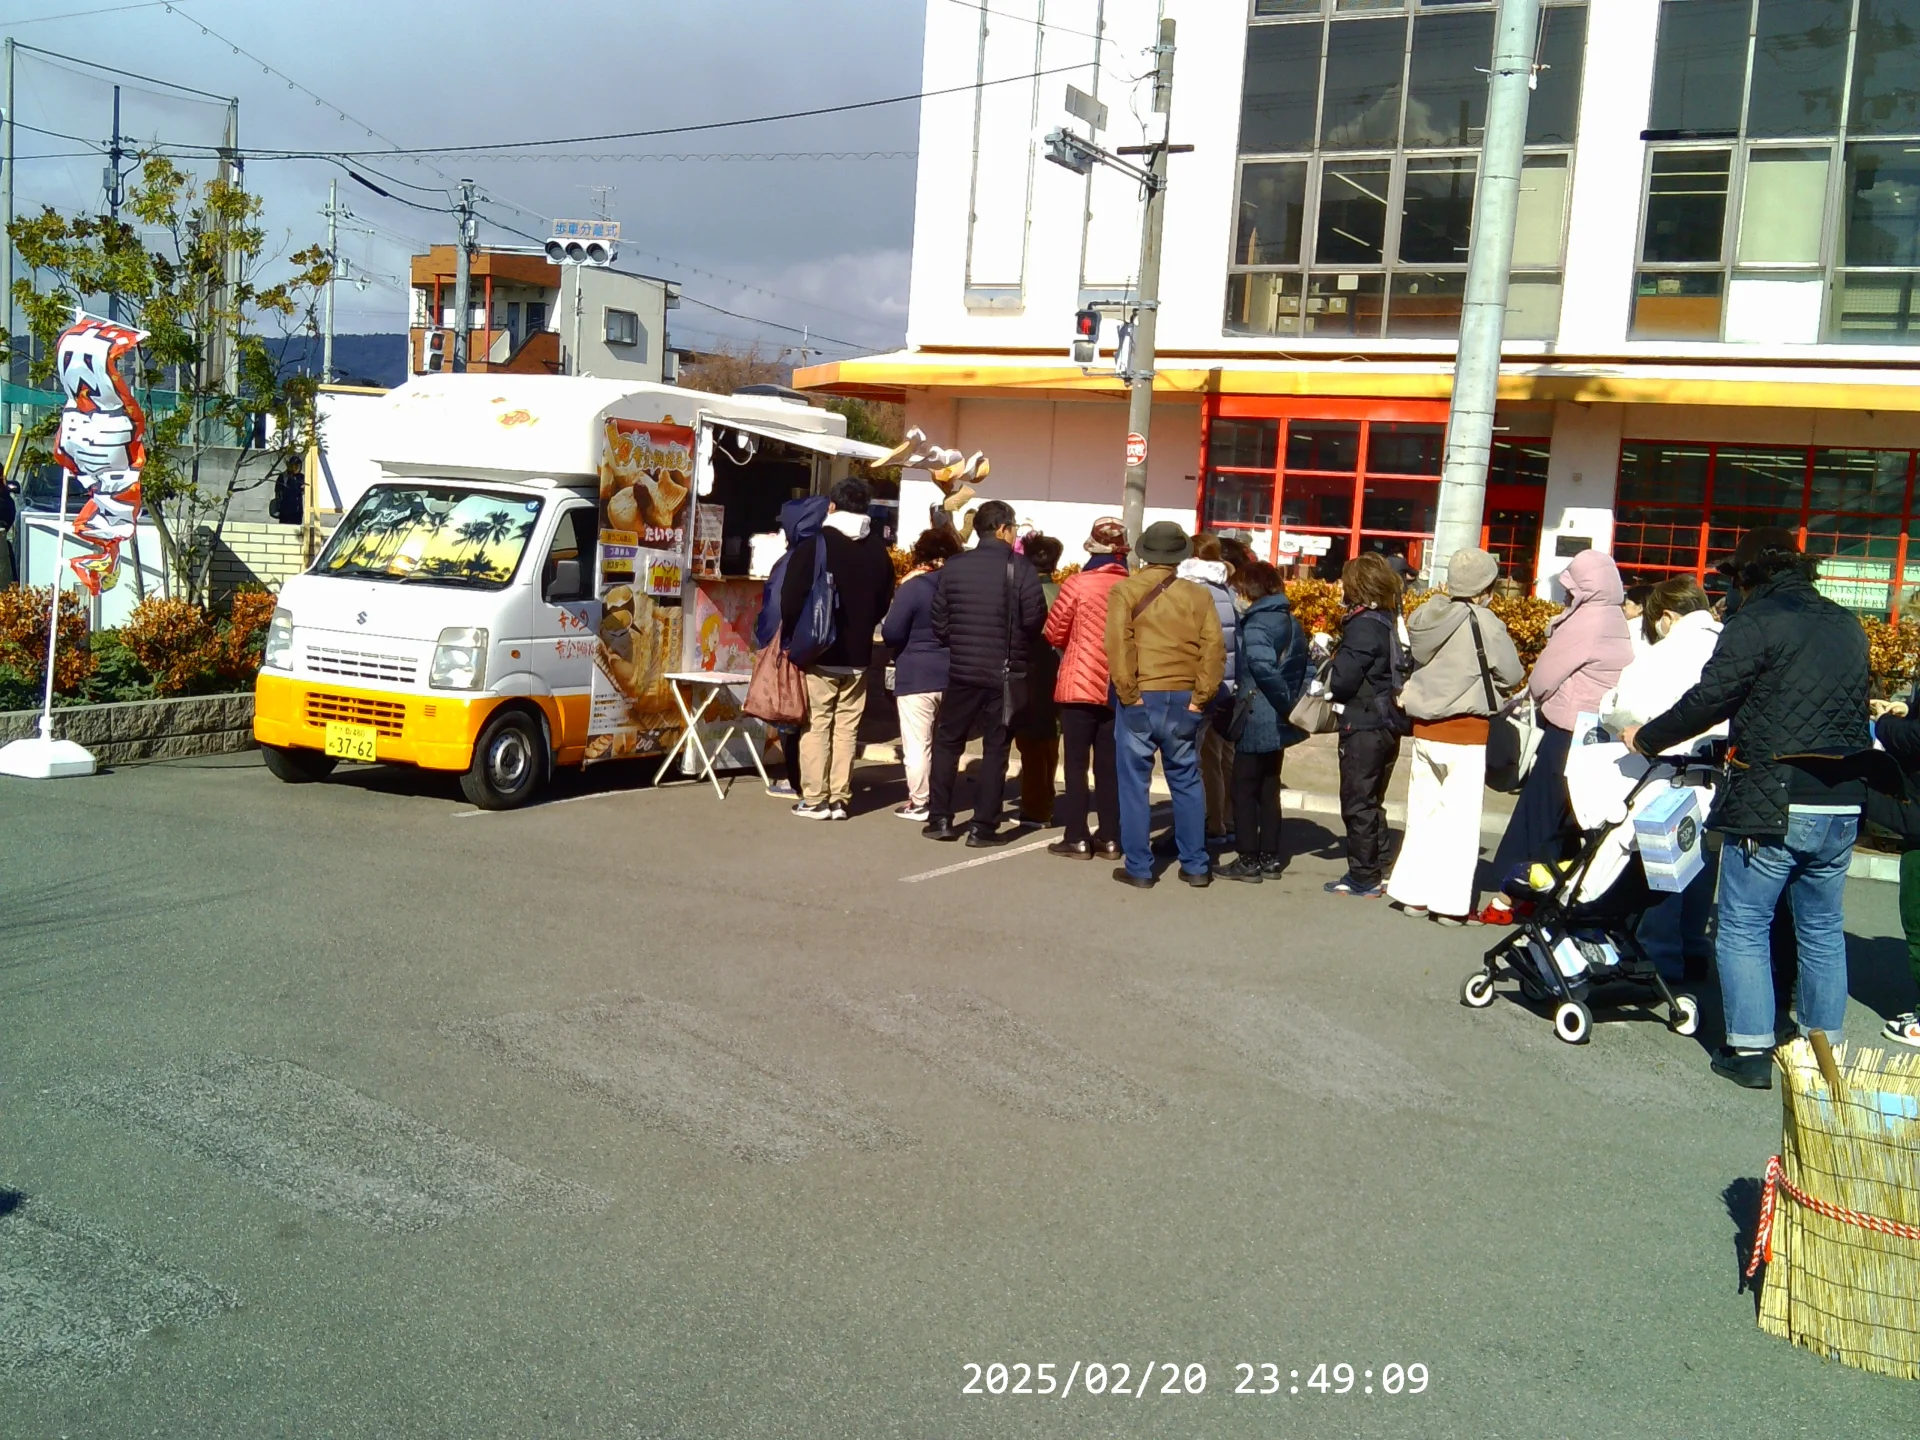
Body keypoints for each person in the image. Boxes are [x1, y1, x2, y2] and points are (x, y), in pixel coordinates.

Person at [1622, 527, 1871, 1090]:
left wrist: (1647, 737)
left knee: (1743, 923)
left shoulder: (1755, 622)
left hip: (1772, 797)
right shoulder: (1847, 623)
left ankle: (1752, 1049)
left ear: (1750, 576)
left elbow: (1710, 699)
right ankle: (1820, 1051)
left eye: (1733, 579)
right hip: (1840, 798)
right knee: (1823, 927)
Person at [1482, 549, 1634, 925]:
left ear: (1583, 587)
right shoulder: (1615, 616)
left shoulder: (1586, 620)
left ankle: (1509, 897)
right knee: (1572, 819)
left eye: (1570, 586)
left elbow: (1543, 677)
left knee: (1538, 815)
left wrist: (1535, 696)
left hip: (1566, 729)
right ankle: (1554, 897)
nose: (1565, 593)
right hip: (1599, 734)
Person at [1386, 548, 1524, 925]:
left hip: (1425, 727)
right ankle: (1448, 905)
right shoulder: (1485, 620)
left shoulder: (1427, 615)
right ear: (1486, 586)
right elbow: (1512, 674)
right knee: (1460, 822)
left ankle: (1413, 895)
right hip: (1467, 730)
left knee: (1422, 813)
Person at [1600, 575, 1723, 981]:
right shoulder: (1730, 641)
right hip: (1719, 772)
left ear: (1667, 616)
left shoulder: (1665, 653)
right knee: (1701, 864)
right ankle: (1693, 946)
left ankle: (1659, 955)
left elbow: (1625, 706)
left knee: (1664, 864)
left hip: (1671, 771)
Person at [1106, 520, 1226, 889]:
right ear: (1180, 555)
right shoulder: (1199, 595)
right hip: (1185, 695)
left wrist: (1130, 695)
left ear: (1145, 552)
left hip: (1143, 691)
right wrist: (1200, 700)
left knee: (1134, 784)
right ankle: (1195, 865)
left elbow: (1118, 647)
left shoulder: (1125, 591)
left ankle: (1140, 868)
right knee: (1187, 780)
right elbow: (1213, 650)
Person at [924, 499, 1048, 846]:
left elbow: (940, 620)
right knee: (996, 748)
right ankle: (983, 827)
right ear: (1004, 529)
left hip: (961, 670)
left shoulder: (954, 566)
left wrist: (961, 642)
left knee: (948, 742)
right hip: (1004, 673)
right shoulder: (1020, 568)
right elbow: (1034, 619)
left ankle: (940, 818)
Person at [779, 476, 897, 820]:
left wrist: (794, 637)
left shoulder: (816, 545)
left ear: (832, 506)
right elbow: (883, 601)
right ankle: (839, 799)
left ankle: (814, 799)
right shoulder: (878, 550)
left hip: (820, 653)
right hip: (859, 655)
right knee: (846, 728)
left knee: (817, 725)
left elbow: (791, 599)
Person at [1043, 517, 1131, 860]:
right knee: (1109, 766)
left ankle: (1076, 837)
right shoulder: (1133, 588)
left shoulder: (1076, 585)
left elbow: (1054, 632)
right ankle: (1110, 837)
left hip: (1078, 682)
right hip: (1116, 686)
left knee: (1076, 764)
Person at [1215, 562, 1308, 882]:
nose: (1238, 596)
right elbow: (1304, 668)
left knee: (1244, 788)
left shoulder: (1256, 624)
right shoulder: (1291, 620)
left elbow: (1263, 669)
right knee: (1270, 788)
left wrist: (1282, 703)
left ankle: (1247, 857)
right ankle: (1270, 856)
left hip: (1258, 714)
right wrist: (1292, 706)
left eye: (1241, 589)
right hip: (1282, 719)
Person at [1324, 552, 1407, 898]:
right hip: (1387, 720)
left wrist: (1328, 663)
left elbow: (1343, 681)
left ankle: (1363, 875)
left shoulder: (1362, 625)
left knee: (1357, 801)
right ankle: (1380, 864)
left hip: (1363, 723)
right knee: (1374, 799)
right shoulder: (1389, 618)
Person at [881, 527, 962, 822]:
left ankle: (919, 801)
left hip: (916, 672)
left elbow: (891, 631)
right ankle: (942, 797)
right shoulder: (961, 587)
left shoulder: (913, 587)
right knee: (945, 741)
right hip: (955, 671)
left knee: (917, 743)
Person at [754, 494, 830, 798]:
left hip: (795, 648)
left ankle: (799, 781)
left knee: (792, 714)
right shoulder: (830, 549)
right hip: (830, 648)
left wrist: (769, 641)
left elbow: (775, 608)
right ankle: (822, 782)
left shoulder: (793, 559)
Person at [1178, 534, 1241, 849]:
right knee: (1224, 756)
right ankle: (1227, 821)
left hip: (1203, 685)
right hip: (1228, 685)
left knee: (1204, 760)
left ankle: (1212, 824)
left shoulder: (1193, 590)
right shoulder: (1227, 590)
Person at [1012, 532, 1065, 830]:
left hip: (1031, 670)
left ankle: (1036, 806)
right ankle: (1046, 797)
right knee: (1050, 739)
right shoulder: (1062, 592)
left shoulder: (1023, 591)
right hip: (1061, 672)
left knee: (1030, 741)